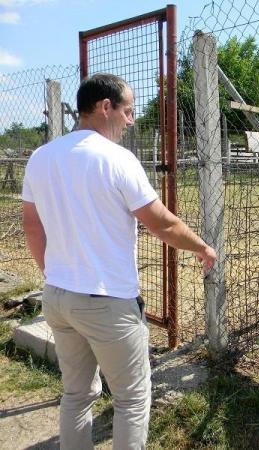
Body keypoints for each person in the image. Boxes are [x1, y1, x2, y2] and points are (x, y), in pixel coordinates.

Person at [21, 73, 216, 450]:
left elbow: (32, 226)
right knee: (131, 399)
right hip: (108, 300)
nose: (131, 121)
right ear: (104, 107)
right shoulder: (116, 159)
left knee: (76, 394)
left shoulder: (41, 157)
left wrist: (53, 273)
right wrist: (202, 248)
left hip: (59, 297)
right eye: (128, 111)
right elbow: (161, 222)